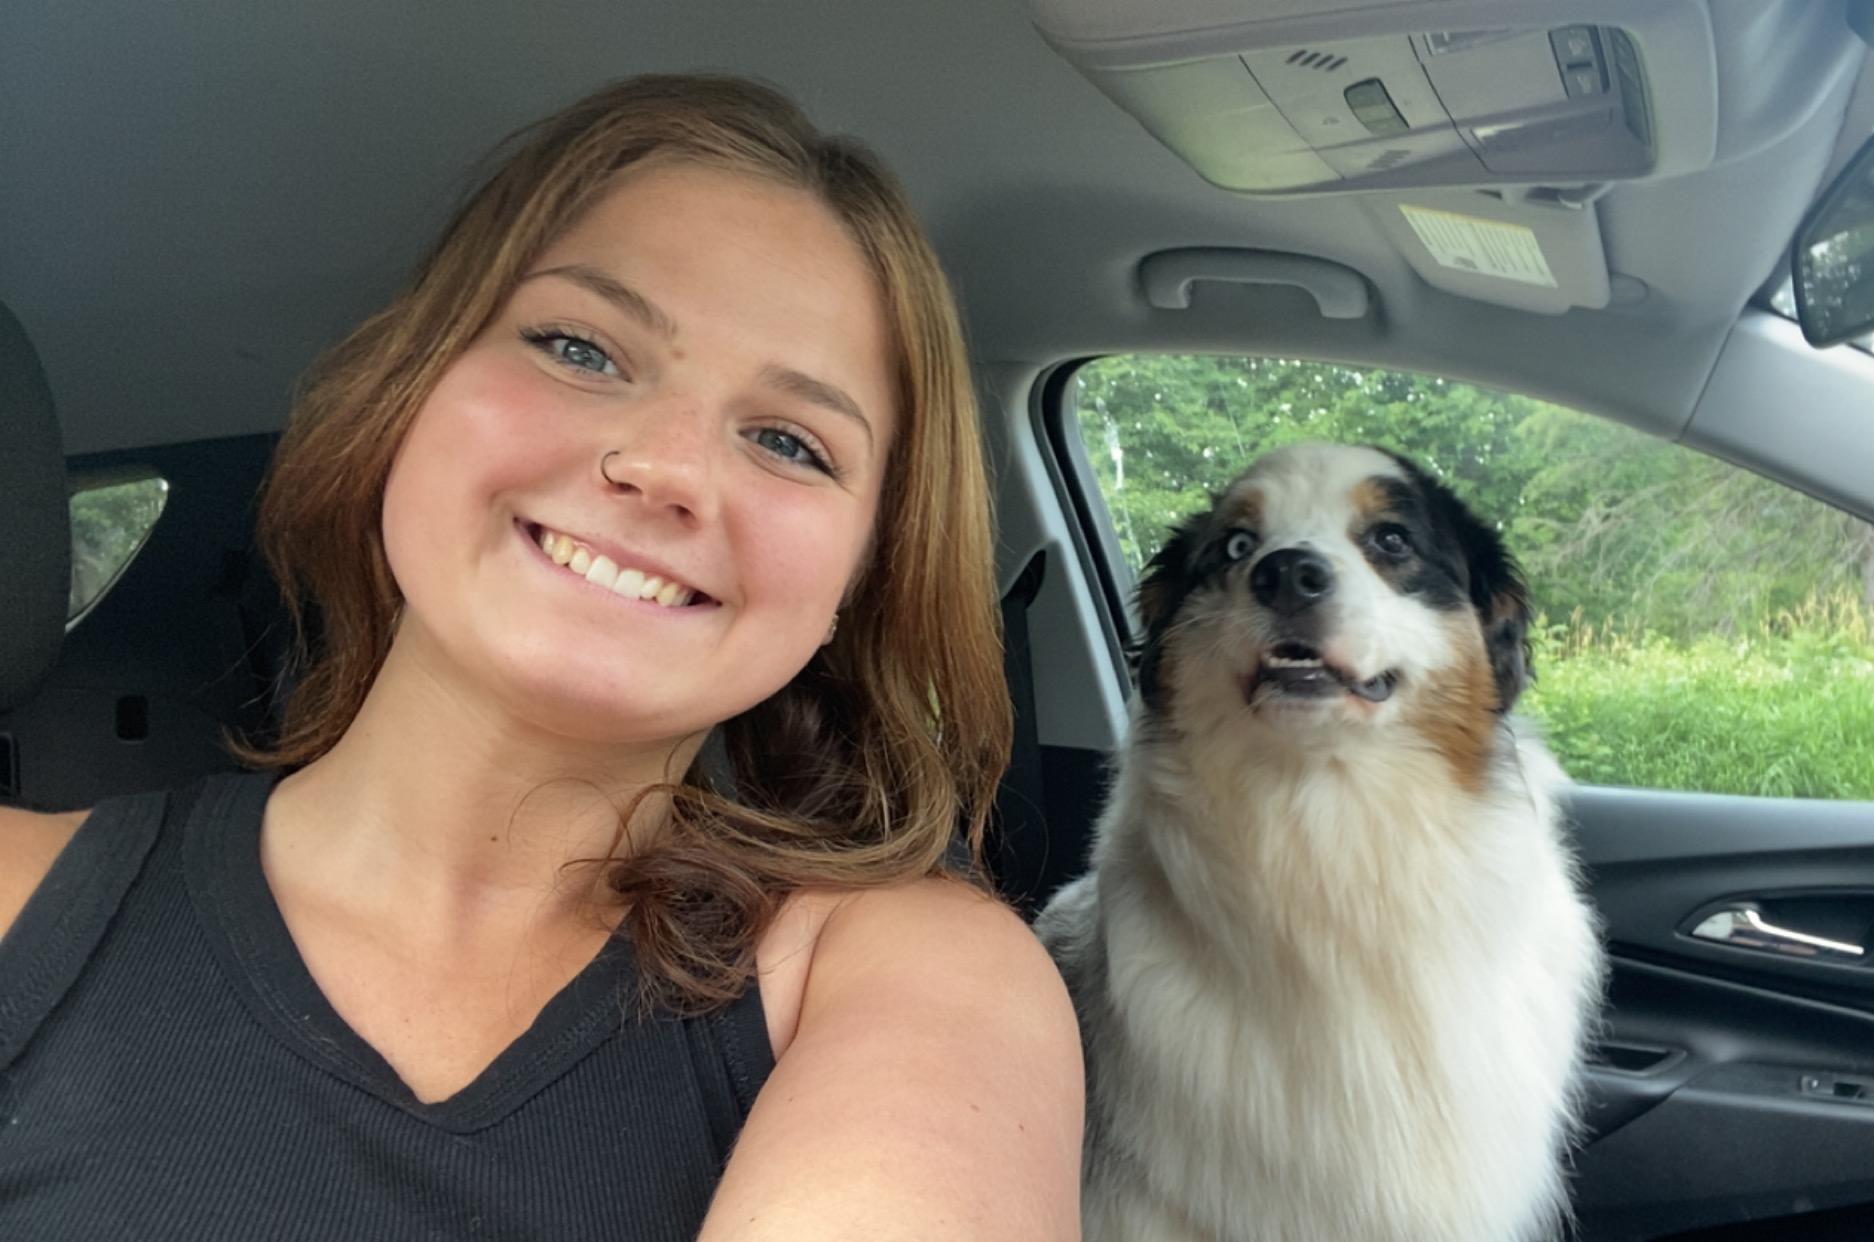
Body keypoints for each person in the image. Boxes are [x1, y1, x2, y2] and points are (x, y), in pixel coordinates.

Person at [0, 74, 1082, 1240]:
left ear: (855, 585)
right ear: (409, 394)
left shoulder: (914, 977)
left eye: (788, 441)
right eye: (580, 348)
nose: (663, 467)